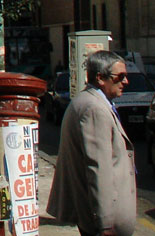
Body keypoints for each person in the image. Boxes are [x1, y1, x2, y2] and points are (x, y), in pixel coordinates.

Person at [46, 50, 136, 236]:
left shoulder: (89, 102)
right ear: (100, 78)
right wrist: (105, 223)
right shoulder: (94, 109)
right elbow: (98, 168)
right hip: (105, 222)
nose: (125, 82)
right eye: (120, 77)